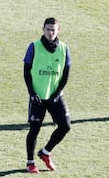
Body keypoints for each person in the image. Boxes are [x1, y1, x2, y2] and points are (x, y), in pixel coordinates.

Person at [23, 17, 71, 173]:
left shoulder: (64, 49)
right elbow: (26, 71)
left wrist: (57, 93)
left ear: (58, 30)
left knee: (65, 126)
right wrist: (31, 92)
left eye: (53, 30)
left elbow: (65, 74)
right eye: (48, 29)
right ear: (43, 30)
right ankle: (30, 162)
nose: (51, 32)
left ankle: (45, 152)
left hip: (55, 96)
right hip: (38, 96)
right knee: (34, 129)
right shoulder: (34, 47)